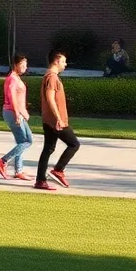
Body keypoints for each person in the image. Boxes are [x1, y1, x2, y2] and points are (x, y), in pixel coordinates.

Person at [35, 51, 80, 190]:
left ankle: (40, 180)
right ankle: (58, 170)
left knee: (48, 148)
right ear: (56, 61)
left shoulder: (49, 76)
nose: (65, 64)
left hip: (49, 120)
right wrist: (58, 118)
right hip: (55, 121)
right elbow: (50, 98)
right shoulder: (52, 78)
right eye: (63, 61)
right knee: (74, 144)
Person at [1, 53, 34, 180]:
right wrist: (17, 114)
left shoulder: (16, 78)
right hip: (12, 112)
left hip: (18, 113)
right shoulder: (12, 79)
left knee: (23, 141)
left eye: (26, 64)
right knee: (27, 141)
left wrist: (23, 112)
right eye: (23, 64)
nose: (25, 67)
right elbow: (12, 98)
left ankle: (18, 170)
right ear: (15, 65)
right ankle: (3, 161)